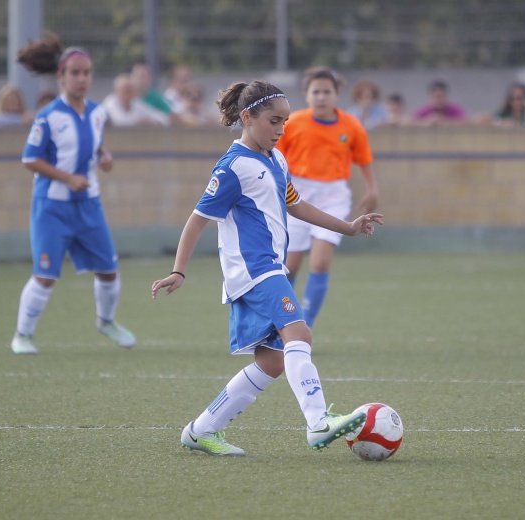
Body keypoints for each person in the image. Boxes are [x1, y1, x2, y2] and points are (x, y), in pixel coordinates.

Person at [150, 80, 384, 455]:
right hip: (255, 271)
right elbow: (196, 219)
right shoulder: (232, 167)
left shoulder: (276, 159)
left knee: (273, 361)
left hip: (266, 268)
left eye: (285, 122)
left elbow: (297, 205)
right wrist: (179, 271)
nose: (281, 129)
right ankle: (319, 422)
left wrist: (348, 227)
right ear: (247, 117)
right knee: (300, 335)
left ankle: (200, 430)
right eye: (274, 121)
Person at [10, 32, 136, 355]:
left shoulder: (97, 113)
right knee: (45, 275)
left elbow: (91, 146)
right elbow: (30, 159)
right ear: (61, 77)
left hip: (89, 206)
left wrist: (103, 157)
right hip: (52, 208)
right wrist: (66, 178)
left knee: (109, 271)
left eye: (87, 73)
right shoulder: (48, 116)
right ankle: (22, 335)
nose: (82, 79)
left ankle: (106, 322)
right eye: (75, 73)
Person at [276, 66, 379, 328]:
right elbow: (275, 158)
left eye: (327, 91)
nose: (321, 97)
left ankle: (304, 326)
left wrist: (372, 188)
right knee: (289, 267)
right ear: (306, 94)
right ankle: (279, 322)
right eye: (316, 92)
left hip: (334, 195)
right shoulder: (294, 122)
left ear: (337, 94)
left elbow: (364, 159)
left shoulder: (351, 125)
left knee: (320, 262)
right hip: (296, 195)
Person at [102, 73, 168, 127]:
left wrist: (153, 122)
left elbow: (161, 118)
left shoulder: (136, 103)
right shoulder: (110, 102)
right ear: (116, 90)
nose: (128, 93)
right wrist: (138, 123)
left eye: (130, 89)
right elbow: (119, 122)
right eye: (125, 89)